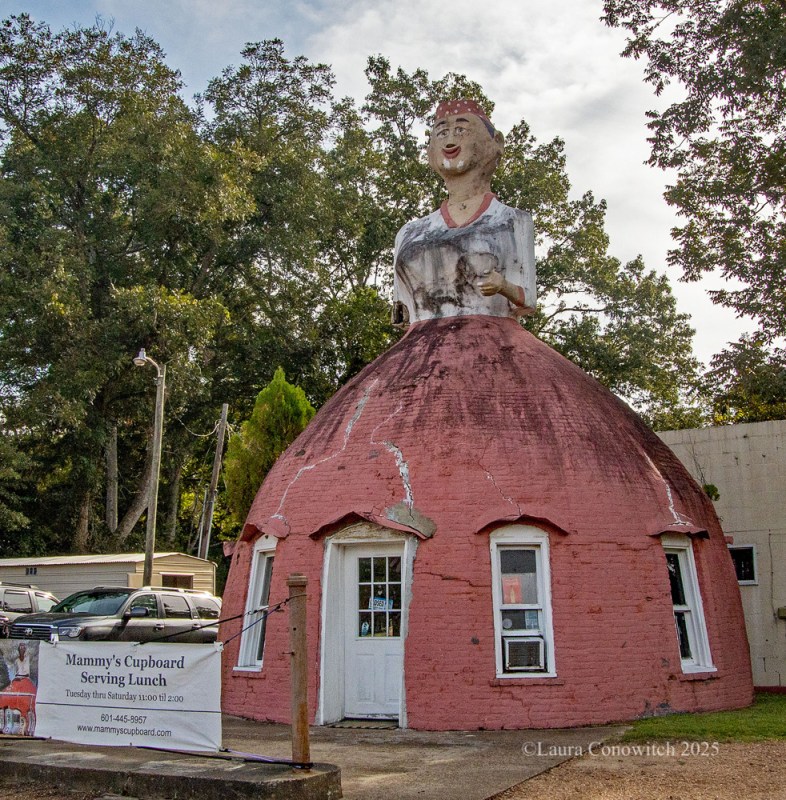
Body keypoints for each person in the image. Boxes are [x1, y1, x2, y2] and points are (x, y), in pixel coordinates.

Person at [392, 98, 536, 327]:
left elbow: (528, 299)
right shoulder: (409, 233)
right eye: (441, 133)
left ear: (495, 141)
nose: (450, 140)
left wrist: (503, 286)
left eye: (461, 130)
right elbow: (400, 315)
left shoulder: (514, 220)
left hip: (492, 335)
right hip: (418, 344)